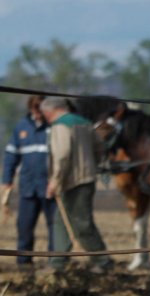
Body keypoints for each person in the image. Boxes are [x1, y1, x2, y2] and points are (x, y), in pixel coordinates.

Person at [43, 97, 111, 272]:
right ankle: (57, 263)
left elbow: (62, 155)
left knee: (82, 223)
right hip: (86, 178)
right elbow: (99, 148)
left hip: (71, 181)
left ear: (50, 111)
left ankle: (102, 261)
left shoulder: (60, 125)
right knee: (61, 221)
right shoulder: (85, 123)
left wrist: (54, 181)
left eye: (45, 114)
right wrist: (92, 166)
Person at [3, 95, 54, 268]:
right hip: (28, 187)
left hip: (51, 188)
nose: (37, 112)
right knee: (24, 226)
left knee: (55, 227)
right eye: (34, 108)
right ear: (30, 108)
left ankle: (55, 263)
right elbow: (11, 155)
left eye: (40, 108)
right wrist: (7, 180)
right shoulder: (22, 127)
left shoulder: (55, 126)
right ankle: (24, 263)